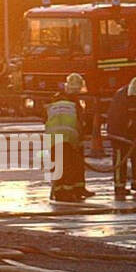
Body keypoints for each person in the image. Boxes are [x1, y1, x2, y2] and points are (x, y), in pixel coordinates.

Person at [106, 75, 136, 201]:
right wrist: (133, 124)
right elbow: (117, 119)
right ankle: (119, 186)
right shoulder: (121, 98)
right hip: (119, 134)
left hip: (134, 134)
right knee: (120, 160)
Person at [45, 73, 89, 202]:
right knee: (70, 165)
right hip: (69, 136)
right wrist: (80, 138)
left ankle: (66, 191)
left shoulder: (55, 99)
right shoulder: (74, 103)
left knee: (60, 165)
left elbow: (46, 118)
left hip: (53, 136)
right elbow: (80, 121)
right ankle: (67, 193)